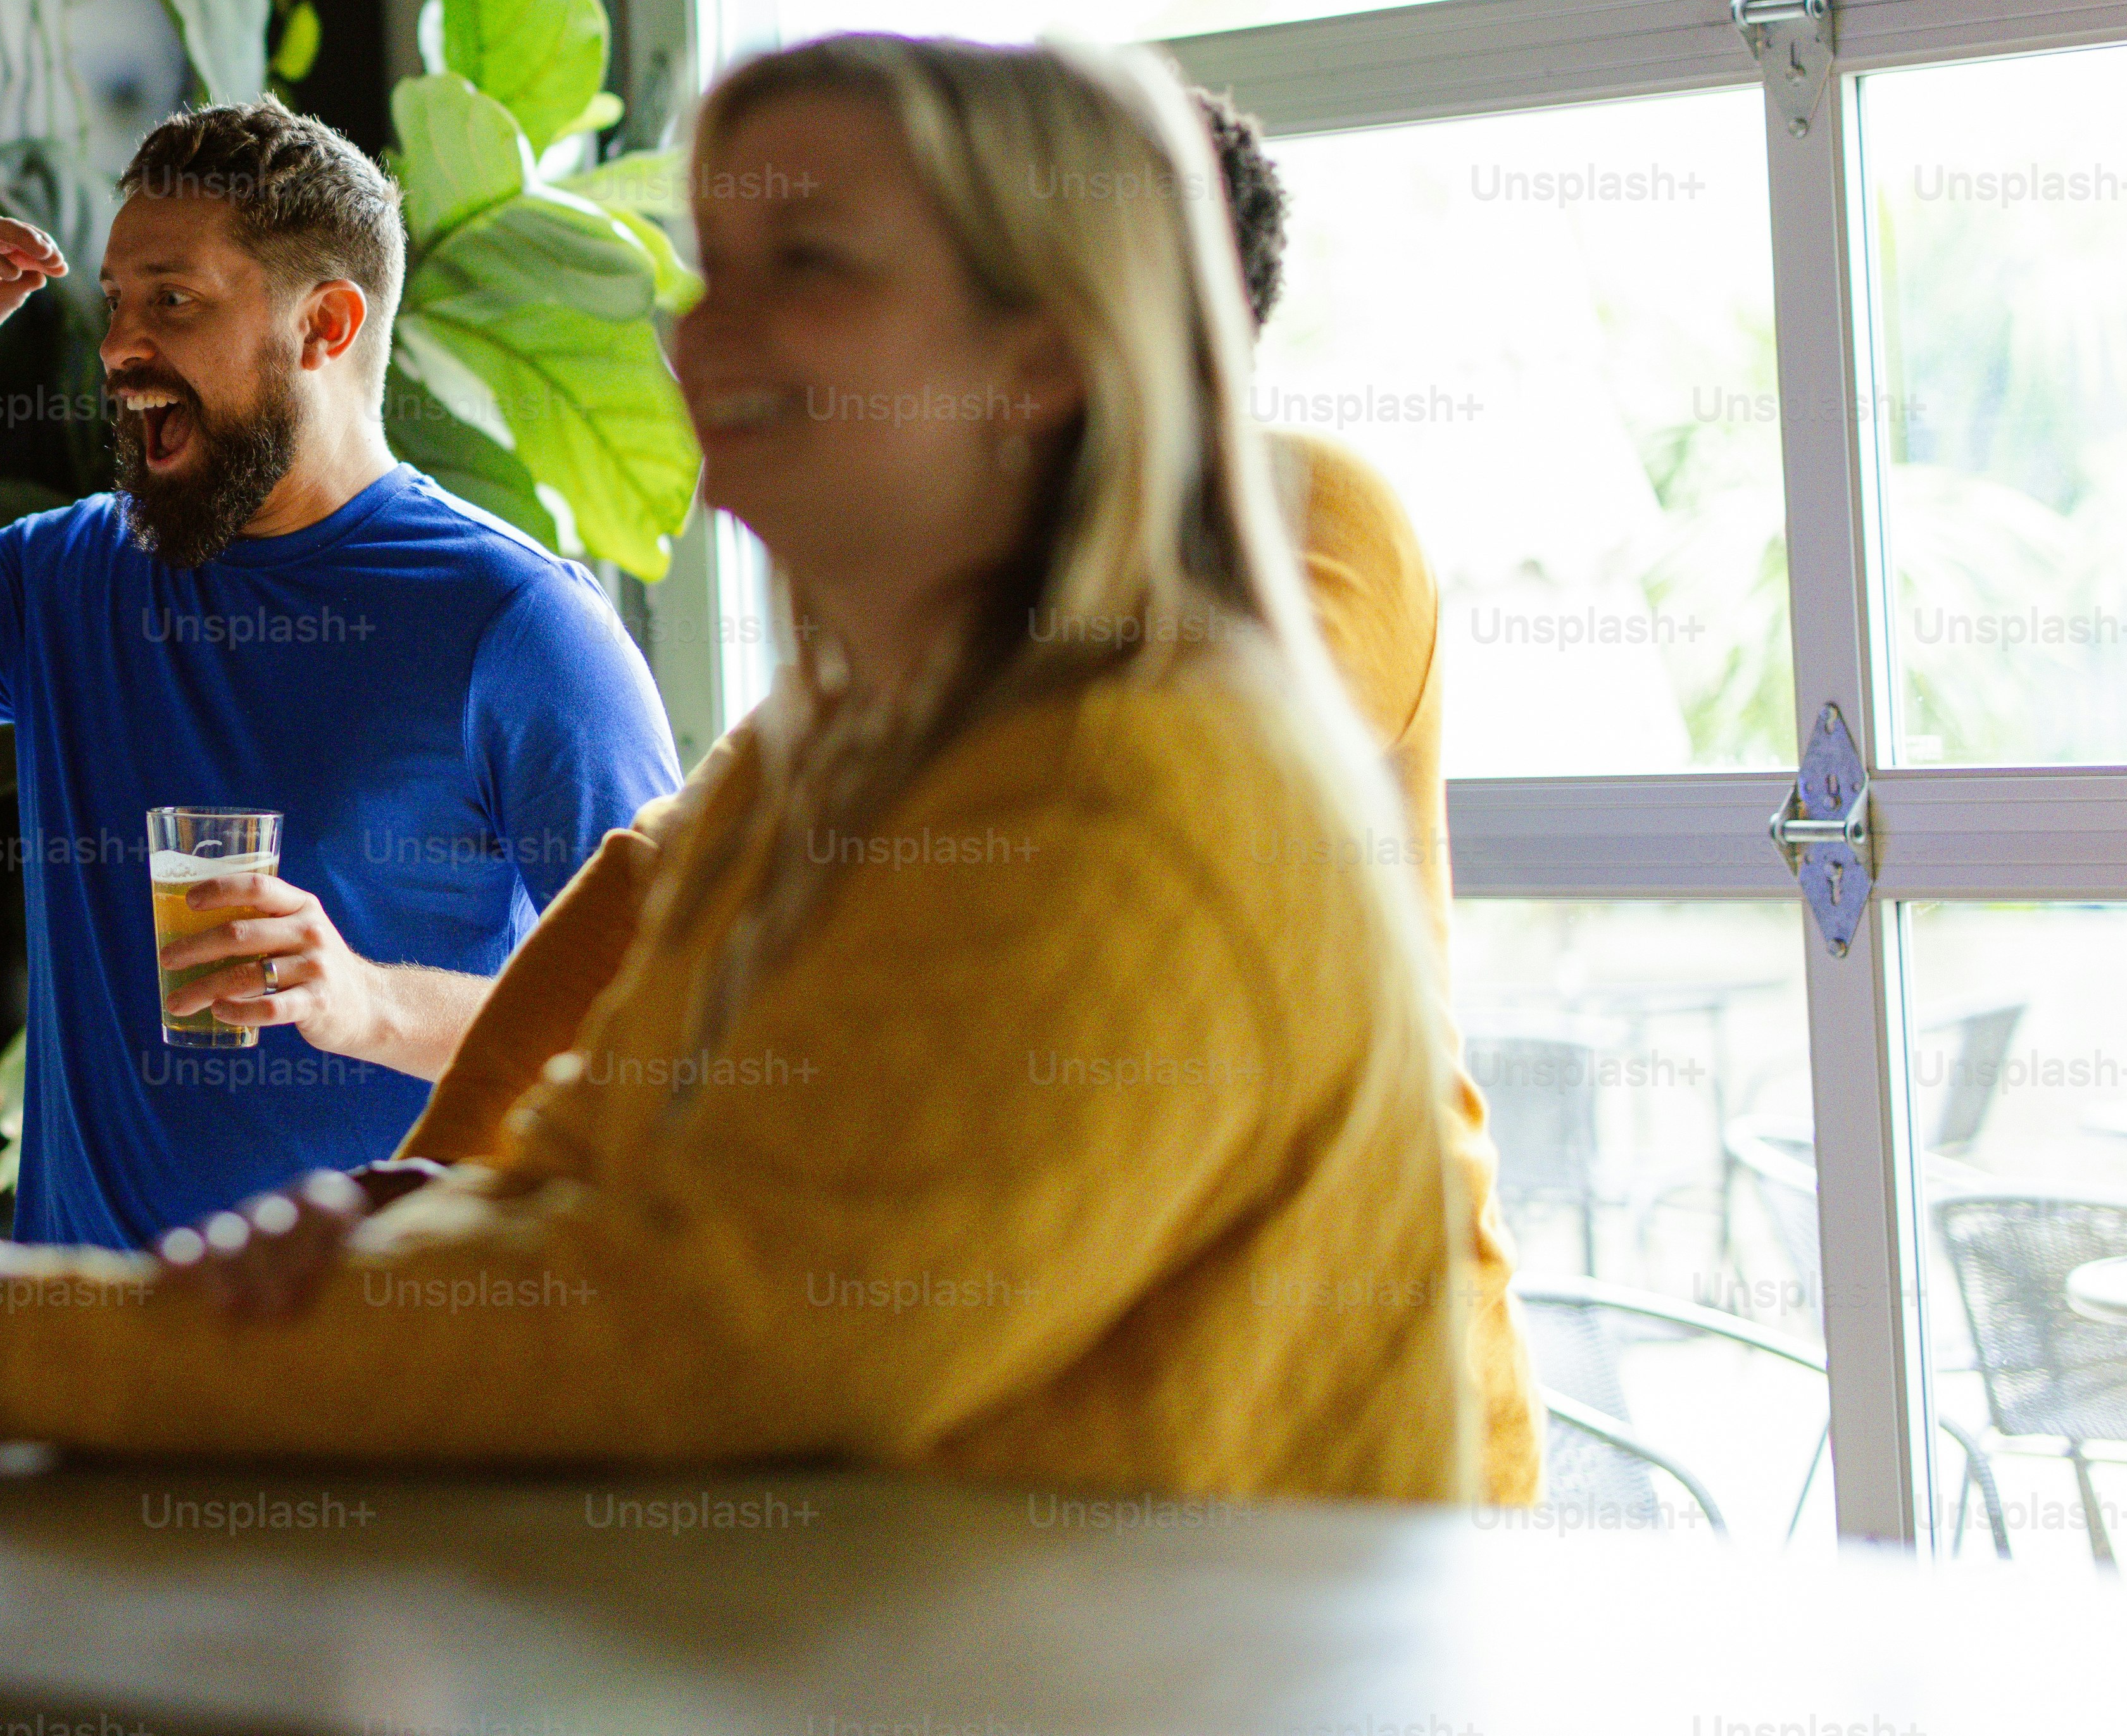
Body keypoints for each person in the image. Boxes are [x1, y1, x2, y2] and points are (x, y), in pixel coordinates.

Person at [0, 36, 1479, 1502]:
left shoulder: (1146, 770)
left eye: (814, 268)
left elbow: (735, 1325)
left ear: (1046, 357)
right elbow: (602, 1144)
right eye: (717, 270)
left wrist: (21, 1342)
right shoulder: (836, 760)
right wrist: (390, 1213)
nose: (700, 339)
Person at [204, 87, 1537, 1499]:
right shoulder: (923, 652)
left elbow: (1080, 819)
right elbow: (657, 879)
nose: (703, 338)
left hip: (1339, 1466)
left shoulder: (1295, 524)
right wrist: (436, 1176)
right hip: (1080, 1490)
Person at [0, 98, 684, 1249]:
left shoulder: (519, 624)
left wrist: (366, 999)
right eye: (118, 300)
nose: (120, 345)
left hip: (372, 1371)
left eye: (174, 300)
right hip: (80, 1364)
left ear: (326, 324)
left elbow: (670, 1030)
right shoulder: (66, 577)